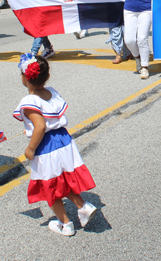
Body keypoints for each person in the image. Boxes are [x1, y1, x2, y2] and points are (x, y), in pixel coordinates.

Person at [14, 53, 98, 236]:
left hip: (46, 145)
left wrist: (30, 147)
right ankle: (83, 206)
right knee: (63, 179)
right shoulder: (51, 92)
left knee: (49, 185)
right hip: (63, 140)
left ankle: (65, 224)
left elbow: (41, 126)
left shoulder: (29, 102)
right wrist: (31, 128)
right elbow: (46, 121)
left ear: (24, 78)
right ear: (47, 77)